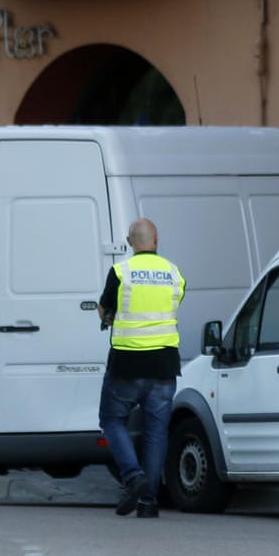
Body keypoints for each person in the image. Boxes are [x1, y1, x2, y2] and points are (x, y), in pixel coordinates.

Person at [97, 218, 185, 519]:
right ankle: (148, 502)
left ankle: (133, 476)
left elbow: (104, 308)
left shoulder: (121, 271)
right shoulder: (174, 273)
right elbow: (175, 304)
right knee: (156, 432)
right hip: (164, 364)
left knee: (111, 420)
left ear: (129, 241)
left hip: (127, 363)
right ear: (156, 238)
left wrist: (109, 317)